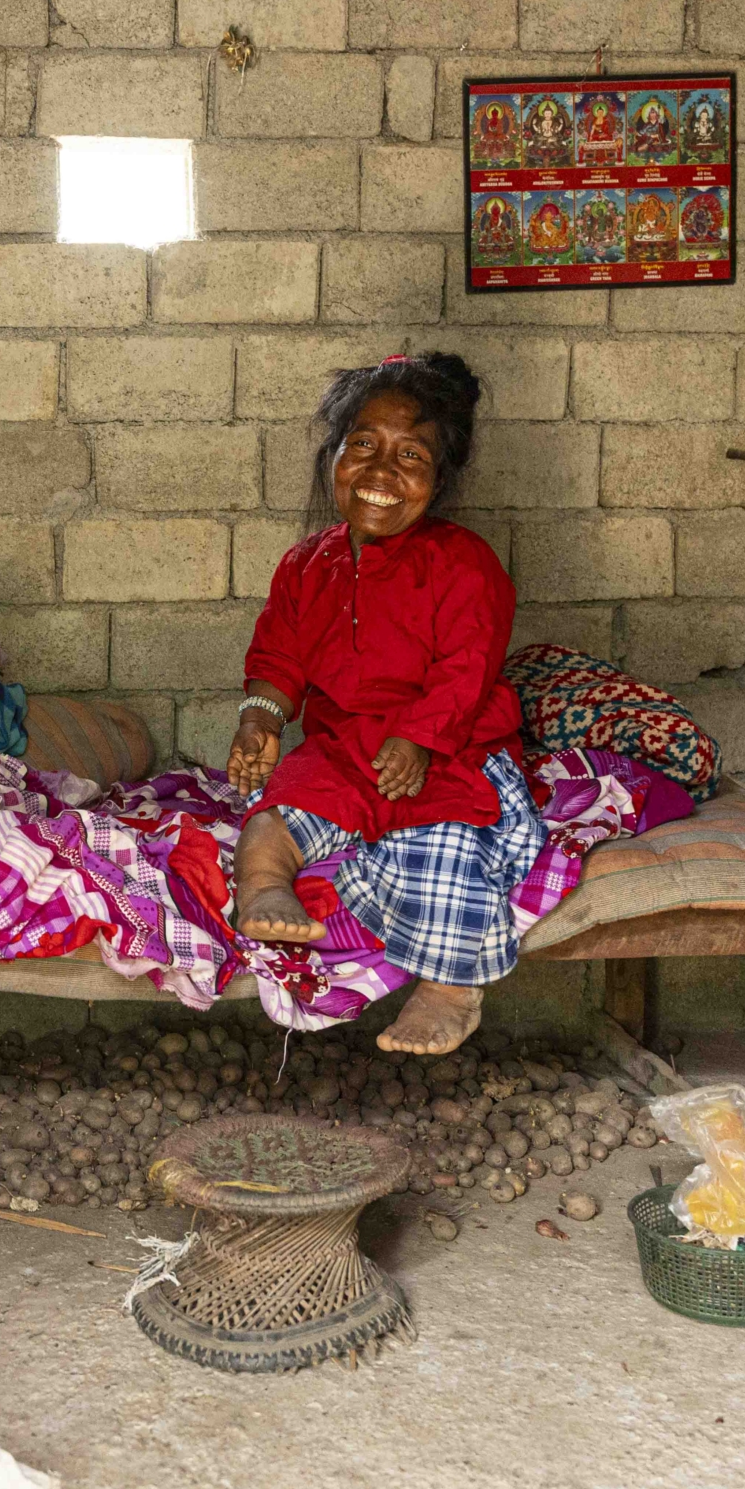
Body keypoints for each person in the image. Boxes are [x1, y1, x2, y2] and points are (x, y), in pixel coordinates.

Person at [224, 353, 533, 1057]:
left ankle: (451, 987)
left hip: (452, 746)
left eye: (410, 455)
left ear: (441, 479)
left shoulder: (464, 562)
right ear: (332, 456)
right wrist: (261, 718)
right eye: (362, 445)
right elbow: (277, 660)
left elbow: (469, 664)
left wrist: (422, 736)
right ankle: (266, 888)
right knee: (275, 811)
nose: (381, 472)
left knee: (450, 842)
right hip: (347, 748)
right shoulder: (307, 564)